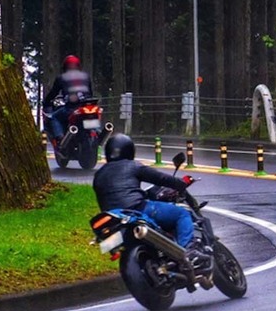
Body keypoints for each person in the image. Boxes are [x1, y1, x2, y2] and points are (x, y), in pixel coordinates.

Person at [92, 133, 212, 273]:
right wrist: (181, 183)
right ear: (130, 150)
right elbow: (161, 178)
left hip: (114, 217)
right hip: (136, 209)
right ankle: (189, 251)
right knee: (181, 214)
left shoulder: (98, 175)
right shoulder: (133, 166)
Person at [43, 54, 93, 142]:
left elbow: (53, 93)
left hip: (71, 108)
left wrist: (46, 102)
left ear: (65, 67)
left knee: (54, 117)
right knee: (92, 121)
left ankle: (61, 138)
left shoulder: (61, 78)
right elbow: (90, 93)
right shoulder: (86, 77)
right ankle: (96, 133)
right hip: (86, 108)